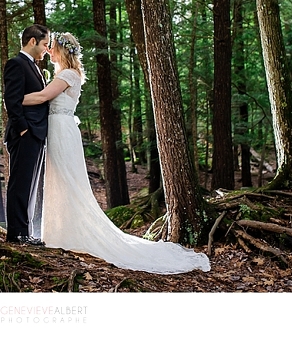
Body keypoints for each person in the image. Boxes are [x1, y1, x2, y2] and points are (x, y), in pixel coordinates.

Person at [23, 32, 211, 274]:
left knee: (68, 182)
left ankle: (69, 236)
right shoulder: (62, 74)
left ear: (62, 51)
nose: (49, 50)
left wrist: (16, 99)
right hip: (59, 130)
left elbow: (43, 97)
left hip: (62, 131)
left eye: (53, 47)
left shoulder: (68, 75)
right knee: (59, 182)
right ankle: (60, 233)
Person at [3, 24, 50, 245]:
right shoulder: (16, 64)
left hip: (36, 133)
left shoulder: (33, 66)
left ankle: (25, 232)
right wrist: (23, 128)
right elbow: (11, 100)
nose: (46, 50)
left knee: (30, 184)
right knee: (20, 183)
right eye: (44, 45)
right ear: (32, 41)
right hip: (25, 133)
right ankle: (16, 234)